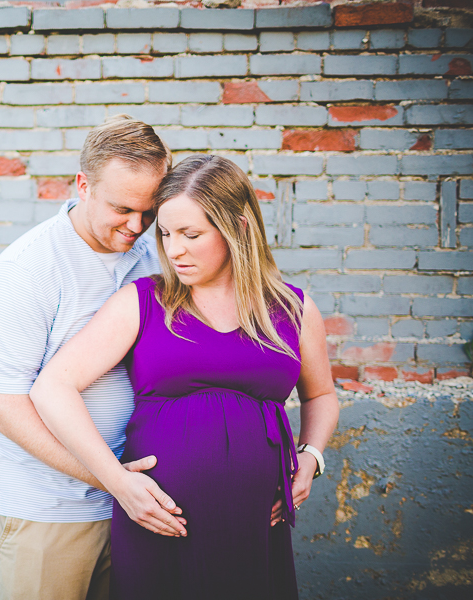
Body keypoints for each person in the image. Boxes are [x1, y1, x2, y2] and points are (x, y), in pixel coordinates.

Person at [30, 154, 340, 599]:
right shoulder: (144, 302)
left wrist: (309, 459)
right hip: (159, 523)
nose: (174, 250)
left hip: (253, 526)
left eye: (191, 235)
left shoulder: (293, 309)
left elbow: (321, 395)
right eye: (166, 234)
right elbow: (52, 387)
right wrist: (118, 483)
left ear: (239, 227)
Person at [0, 114, 185, 600]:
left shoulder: (156, 258)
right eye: (122, 208)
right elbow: (4, 405)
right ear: (83, 185)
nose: (137, 225)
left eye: (149, 212)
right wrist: (113, 480)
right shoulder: (26, 270)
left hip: (138, 510)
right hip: (48, 513)